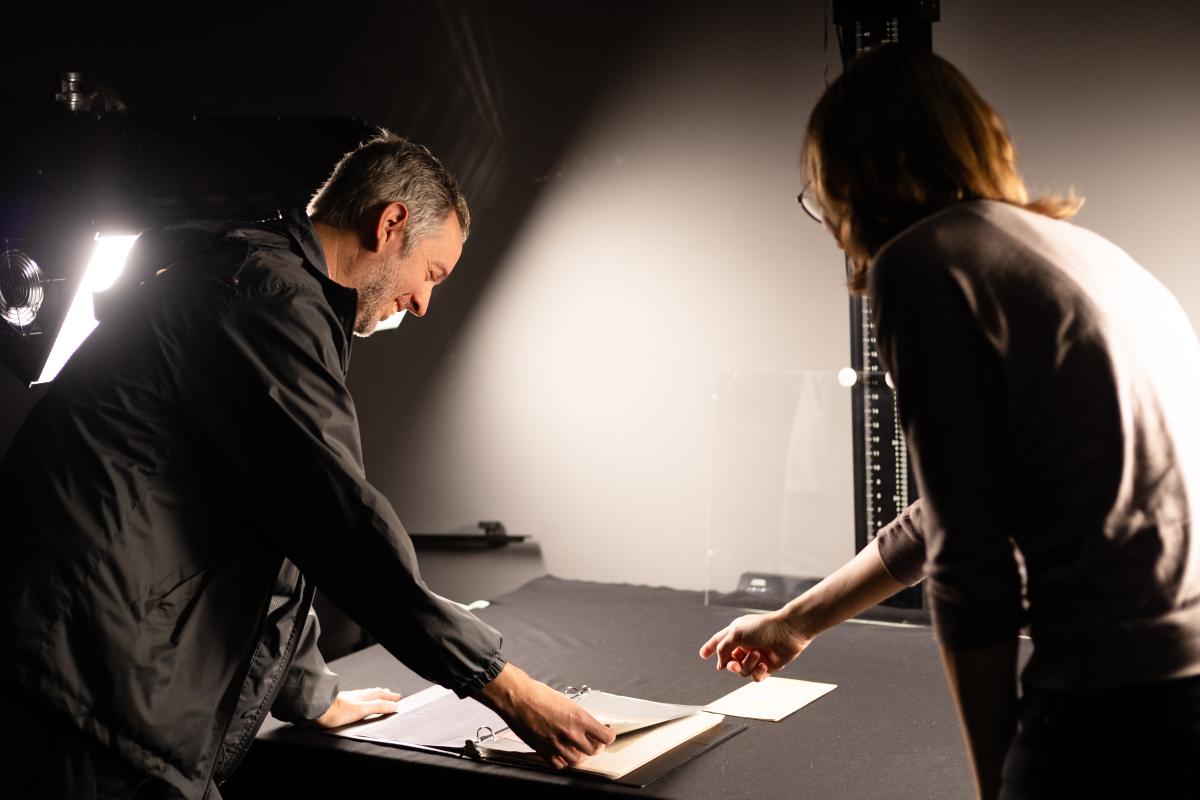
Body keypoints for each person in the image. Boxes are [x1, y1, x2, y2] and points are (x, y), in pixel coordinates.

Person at [0, 130, 613, 799]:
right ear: (391, 223)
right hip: (80, 680)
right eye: (431, 274)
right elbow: (339, 523)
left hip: (83, 667)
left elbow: (277, 519)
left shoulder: (255, 285)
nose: (422, 302)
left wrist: (310, 694)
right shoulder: (267, 299)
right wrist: (508, 688)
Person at [700, 44, 1200, 799]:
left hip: (1117, 697)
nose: (828, 221)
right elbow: (949, 509)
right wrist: (796, 621)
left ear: (854, 178)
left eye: (820, 193)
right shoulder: (1087, 255)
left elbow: (972, 566)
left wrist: (996, 782)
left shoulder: (924, 262)